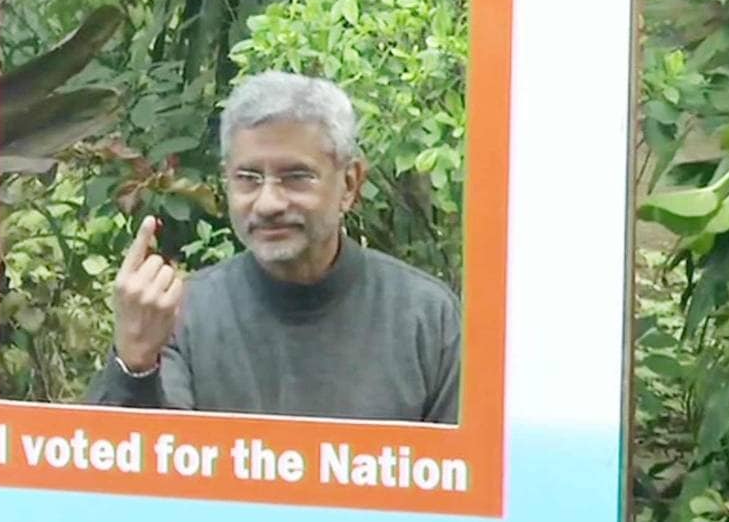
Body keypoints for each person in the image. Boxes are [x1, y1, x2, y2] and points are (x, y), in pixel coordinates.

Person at [84, 71, 461, 423]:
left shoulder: (425, 318)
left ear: (350, 184)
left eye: (296, 177)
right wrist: (134, 363)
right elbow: (136, 473)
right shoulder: (182, 316)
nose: (268, 203)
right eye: (248, 178)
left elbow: (468, 479)